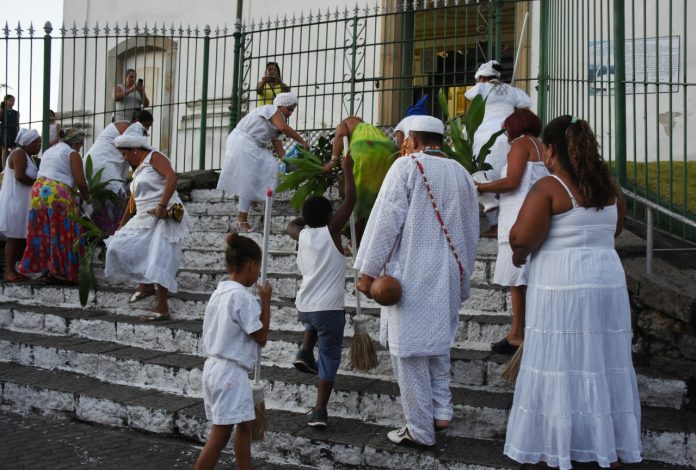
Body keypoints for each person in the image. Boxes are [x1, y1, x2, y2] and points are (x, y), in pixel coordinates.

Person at [503, 116, 641, 469]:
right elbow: (616, 227)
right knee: (601, 358)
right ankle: (605, 448)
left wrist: (519, 256)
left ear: (550, 151)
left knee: (560, 359)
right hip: (605, 279)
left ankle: (559, 447)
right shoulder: (609, 188)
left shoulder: (550, 187)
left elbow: (521, 237)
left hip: (562, 282)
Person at [354, 115, 479, 447]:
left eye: (402, 139)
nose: (401, 145)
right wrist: (464, 275)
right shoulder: (462, 174)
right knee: (438, 345)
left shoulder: (407, 167)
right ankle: (441, 413)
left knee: (407, 352)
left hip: (411, 273)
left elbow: (385, 220)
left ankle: (419, 429)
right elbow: (471, 230)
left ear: (413, 139)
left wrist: (368, 274)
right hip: (449, 270)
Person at [286, 153, 355, 428]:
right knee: (328, 357)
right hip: (328, 309)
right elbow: (350, 201)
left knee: (314, 322)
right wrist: (348, 170)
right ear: (329, 217)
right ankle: (319, 410)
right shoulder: (332, 231)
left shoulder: (300, 233)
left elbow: (291, 224)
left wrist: (306, 218)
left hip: (305, 307)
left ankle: (304, 351)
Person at [194, 233, 272, 470]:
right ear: (251, 265)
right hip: (230, 372)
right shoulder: (242, 297)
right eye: (258, 269)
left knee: (246, 424)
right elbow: (261, 337)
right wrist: (265, 304)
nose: (258, 274)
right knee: (220, 435)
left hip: (214, 367)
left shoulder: (219, 293)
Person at [475, 109, 548, 354]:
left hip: (517, 217)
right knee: (529, 280)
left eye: (507, 129)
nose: (506, 135)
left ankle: (517, 334)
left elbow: (512, 181)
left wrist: (481, 186)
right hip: (537, 216)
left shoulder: (520, 144)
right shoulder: (541, 145)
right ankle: (526, 331)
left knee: (517, 281)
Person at [104, 124, 191, 320]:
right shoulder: (137, 172)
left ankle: (162, 306)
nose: (125, 159)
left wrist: (161, 205)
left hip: (166, 212)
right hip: (144, 215)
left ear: (135, 149)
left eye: (126, 154)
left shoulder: (154, 157)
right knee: (118, 245)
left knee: (158, 255)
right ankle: (145, 285)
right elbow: (132, 201)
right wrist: (123, 222)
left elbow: (171, 176)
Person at [217, 92, 308, 232]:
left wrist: (293, 162)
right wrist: (302, 141)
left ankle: (253, 198)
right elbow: (284, 128)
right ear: (281, 105)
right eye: (289, 109)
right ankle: (241, 219)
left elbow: (279, 149)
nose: (290, 113)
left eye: (292, 110)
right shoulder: (271, 109)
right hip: (243, 142)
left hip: (254, 146)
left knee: (274, 169)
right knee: (249, 180)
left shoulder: (278, 123)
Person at [465, 60, 532, 237]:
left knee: (483, 176)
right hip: (509, 137)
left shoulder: (480, 88)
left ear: (481, 78)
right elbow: (523, 110)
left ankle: (495, 221)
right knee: (508, 177)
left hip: (484, 138)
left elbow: (471, 114)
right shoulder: (513, 91)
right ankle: (509, 221)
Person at [17, 129, 92, 283]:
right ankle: (59, 271)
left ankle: (45, 268)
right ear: (76, 143)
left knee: (44, 231)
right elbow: (81, 182)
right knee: (62, 232)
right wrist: (88, 198)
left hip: (39, 191)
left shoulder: (49, 151)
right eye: (80, 145)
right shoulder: (72, 153)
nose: (79, 148)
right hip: (57, 194)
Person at [321, 116, 398, 243]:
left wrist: (332, 162)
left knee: (357, 198)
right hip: (388, 153)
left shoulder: (345, 123)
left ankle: (355, 242)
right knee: (377, 197)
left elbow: (340, 134)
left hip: (363, 151)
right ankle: (372, 240)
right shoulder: (369, 128)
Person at [83, 110, 154, 235]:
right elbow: (135, 155)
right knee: (114, 202)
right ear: (137, 122)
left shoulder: (127, 129)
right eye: (146, 125)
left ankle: (104, 234)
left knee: (103, 204)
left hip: (99, 165)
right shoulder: (127, 128)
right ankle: (111, 235)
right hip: (103, 165)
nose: (147, 130)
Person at [0, 129, 41, 281]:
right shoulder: (19, 154)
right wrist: (39, 183)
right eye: (36, 143)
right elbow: (19, 176)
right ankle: (8, 271)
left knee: (20, 237)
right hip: (15, 201)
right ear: (28, 143)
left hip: (23, 202)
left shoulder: (28, 156)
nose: (38, 146)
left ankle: (17, 268)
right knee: (13, 237)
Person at [0, 95, 20, 169]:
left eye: (13, 101)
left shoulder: (16, 112)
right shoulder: (2, 110)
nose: (12, 102)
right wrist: (2, 109)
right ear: (5, 101)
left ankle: (12, 167)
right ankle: (4, 168)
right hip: (4, 131)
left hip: (13, 131)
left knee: (14, 150)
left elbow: (17, 124)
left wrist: (18, 134)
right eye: (10, 100)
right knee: (4, 149)